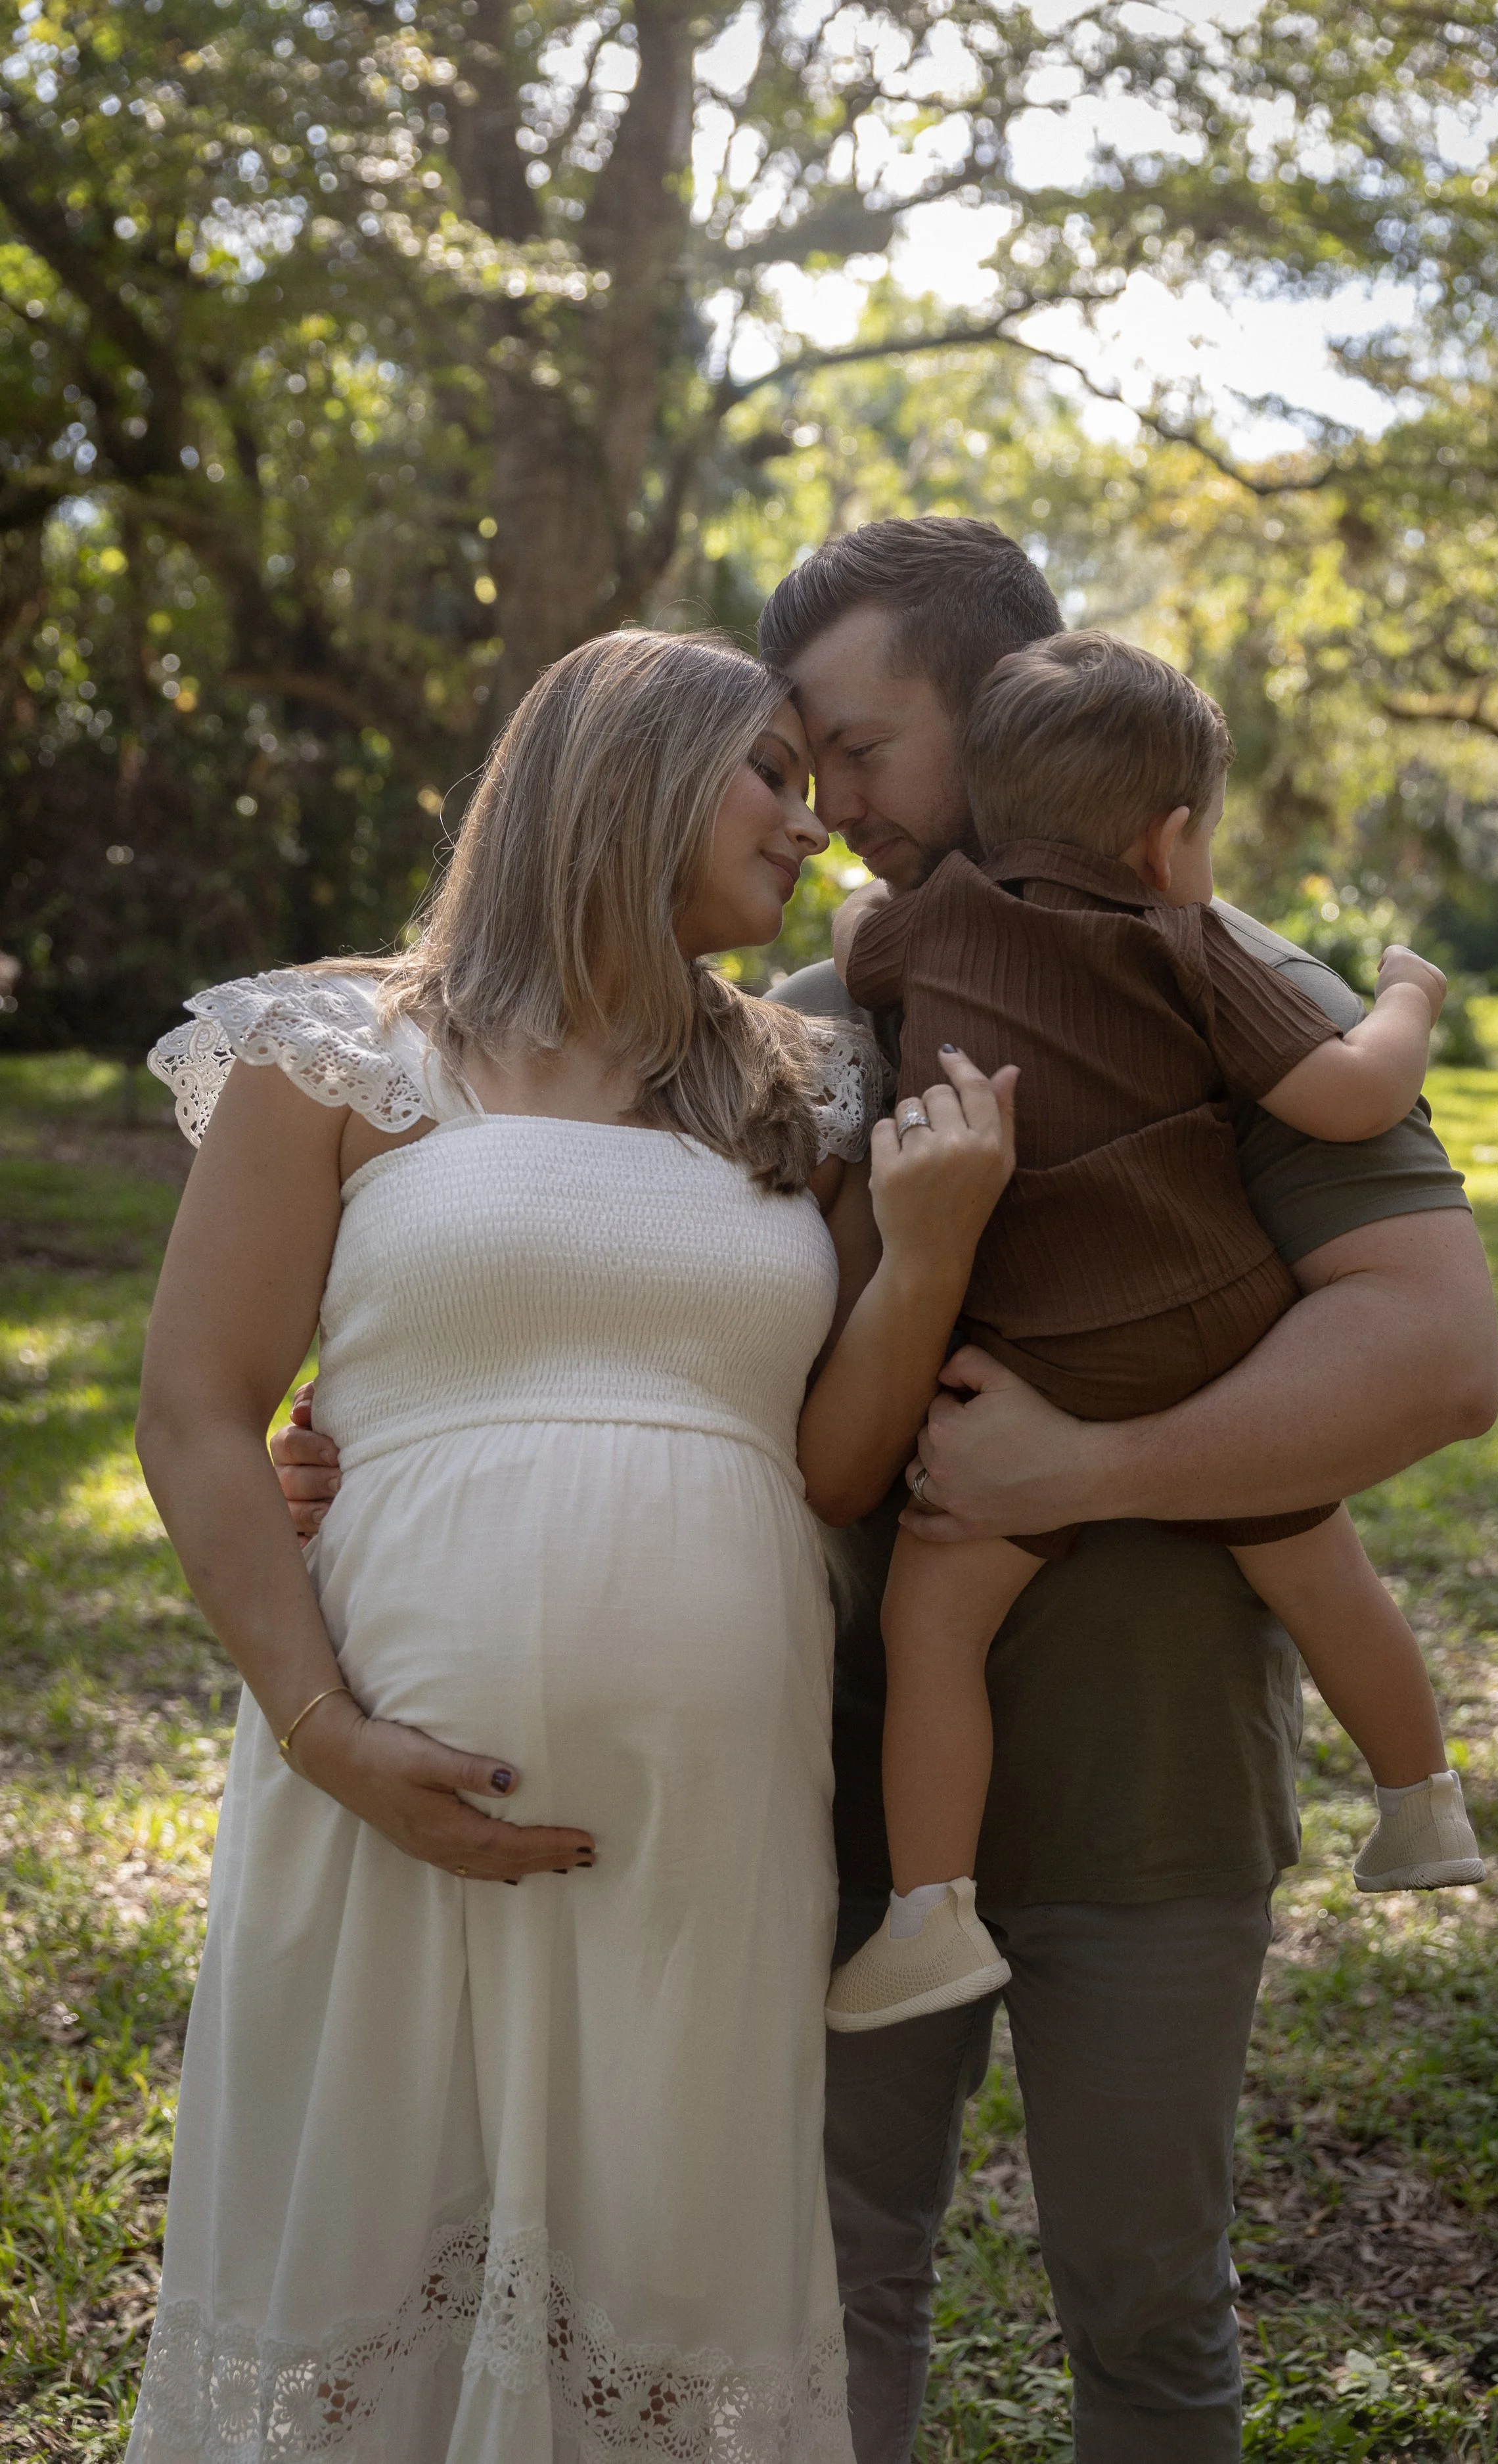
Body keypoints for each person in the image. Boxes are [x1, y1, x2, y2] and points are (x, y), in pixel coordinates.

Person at [275, 521, 1498, 2464]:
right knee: (828, 2282)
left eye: (858, 748)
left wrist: (1089, 1462)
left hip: (1148, 1783)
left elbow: (1433, 1356)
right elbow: (618, 1294)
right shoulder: (795, 1023)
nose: (826, 807)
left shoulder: (1221, 980)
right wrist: (403, 1422)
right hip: (814, 1785)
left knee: (1145, 2298)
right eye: (794, 764)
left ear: (1008, 706)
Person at [128, 627, 1018, 2464]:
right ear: (623, 771)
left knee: (667, 2268)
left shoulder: (800, 1085)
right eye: (770, 770)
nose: (811, 820)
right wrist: (322, 1726)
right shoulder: (339, 1047)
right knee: (366, 2246)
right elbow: (200, 1408)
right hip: (371, 1781)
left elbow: (831, 1465)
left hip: (709, 1820)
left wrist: (924, 1256)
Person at [823, 627, 1484, 2034]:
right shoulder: (1187, 942)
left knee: (931, 1617)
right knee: (1315, 1562)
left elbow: (849, 944)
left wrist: (882, 934)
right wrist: (1409, 997)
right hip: (1214, 1330)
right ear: (1171, 838)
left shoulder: (932, 924)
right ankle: (1419, 1804)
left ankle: (927, 1911)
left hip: (1035, 1347)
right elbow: (1350, 1098)